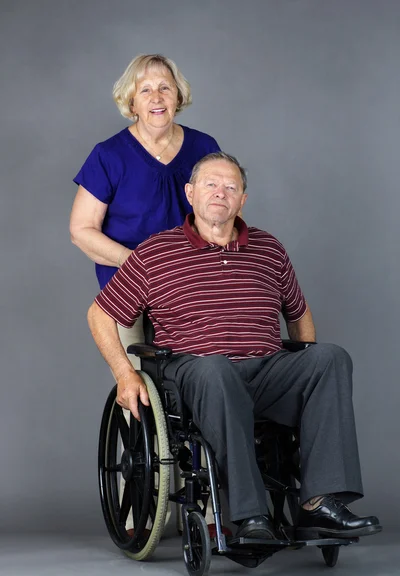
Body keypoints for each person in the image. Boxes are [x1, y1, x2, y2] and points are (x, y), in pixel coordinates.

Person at [87, 151, 381, 540]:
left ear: (243, 200)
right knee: (216, 367)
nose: (220, 193)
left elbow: (299, 313)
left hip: (264, 372)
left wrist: (304, 367)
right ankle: (249, 514)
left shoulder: (269, 249)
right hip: (193, 374)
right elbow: (100, 313)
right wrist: (125, 374)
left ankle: (320, 504)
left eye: (231, 187)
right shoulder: (156, 252)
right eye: (210, 184)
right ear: (190, 193)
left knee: (330, 358)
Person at [70, 53, 220, 357]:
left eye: (165, 87)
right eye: (145, 90)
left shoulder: (204, 148)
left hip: (193, 284)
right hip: (130, 287)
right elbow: (81, 231)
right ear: (131, 103)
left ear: (178, 96)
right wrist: (141, 266)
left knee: (212, 371)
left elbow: (228, 216)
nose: (157, 97)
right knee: (140, 384)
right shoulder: (108, 156)